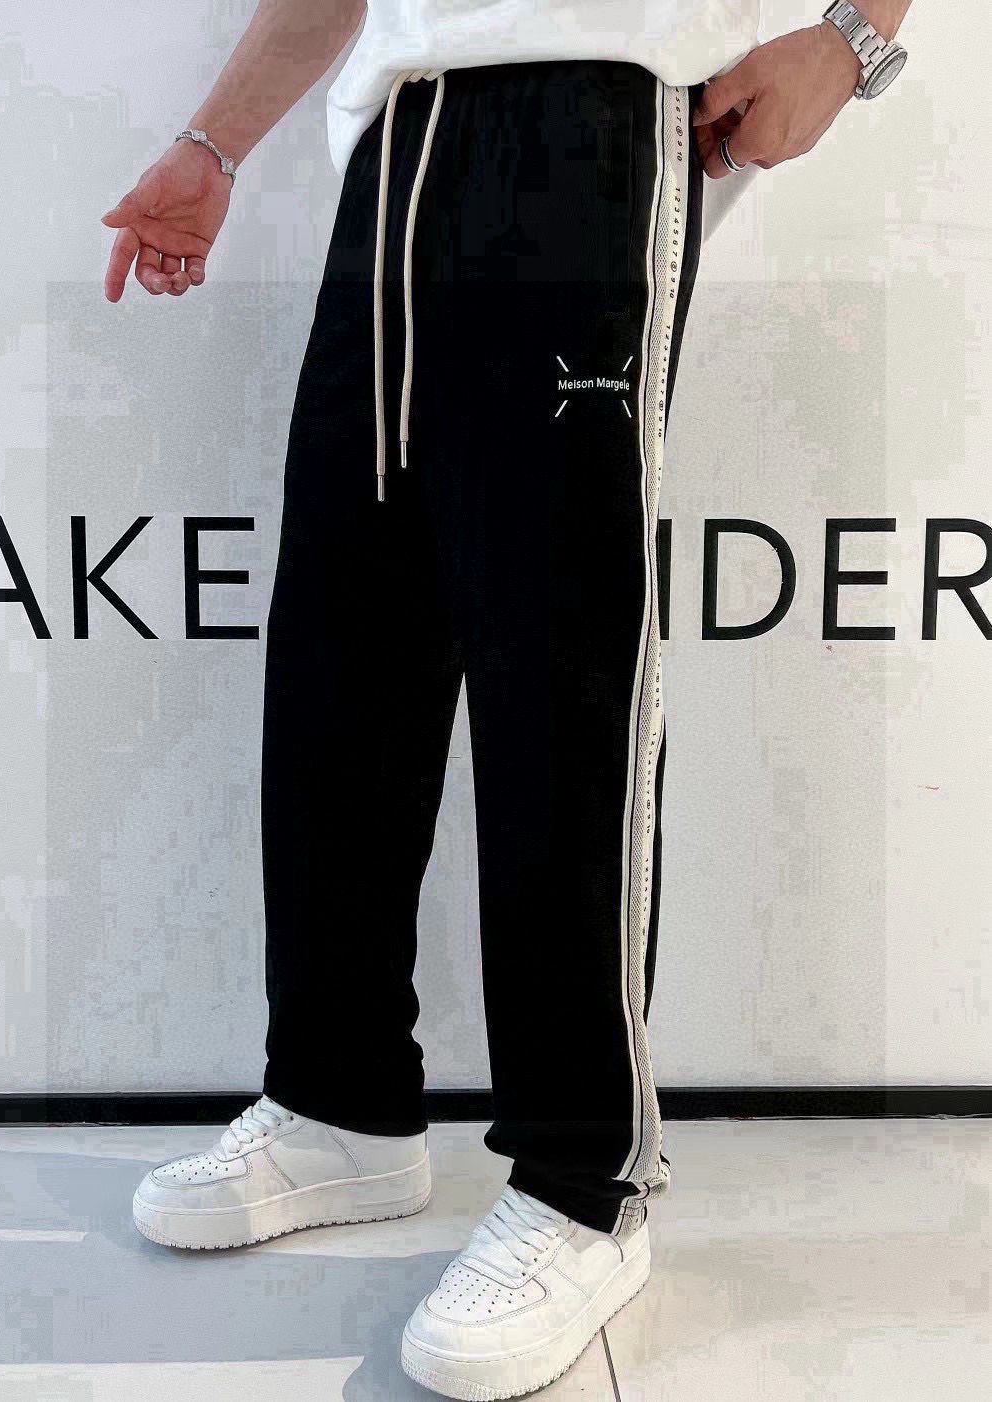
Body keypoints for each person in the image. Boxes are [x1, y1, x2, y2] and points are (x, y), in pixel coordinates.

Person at [101, 1, 913, 1395]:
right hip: (396, 142)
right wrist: (212, 146)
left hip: (594, 115)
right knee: (343, 655)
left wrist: (852, 41)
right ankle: (341, 1103)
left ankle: (586, 1180)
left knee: (563, 670)